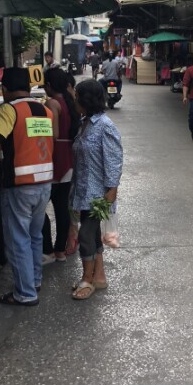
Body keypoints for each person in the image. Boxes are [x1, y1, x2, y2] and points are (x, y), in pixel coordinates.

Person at [0, 67, 55, 307]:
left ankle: (25, 293)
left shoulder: (11, 109)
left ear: (5, 89)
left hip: (19, 184)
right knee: (34, 235)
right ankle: (35, 280)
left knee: (18, 239)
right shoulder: (46, 111)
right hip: (44, 182)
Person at [69, 79, 123, 300]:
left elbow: (114, 160)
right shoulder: (86, 122)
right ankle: (98, 277)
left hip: (97, 195)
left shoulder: (105, 126)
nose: (74, 100)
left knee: (86, 236)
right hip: (82, 190)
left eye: (76, 96)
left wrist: (112, 190)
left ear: (85, 99)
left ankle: (87, 280)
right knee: (91, 234)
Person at [41, 69, 79, 265]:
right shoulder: (70, 101)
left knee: (39, 208)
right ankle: (60, 251)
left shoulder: (52, 103)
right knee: (62, 207)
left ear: (49, 85)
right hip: (69, 157)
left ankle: (47, 250)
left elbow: (53, 133)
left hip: (55, 157)